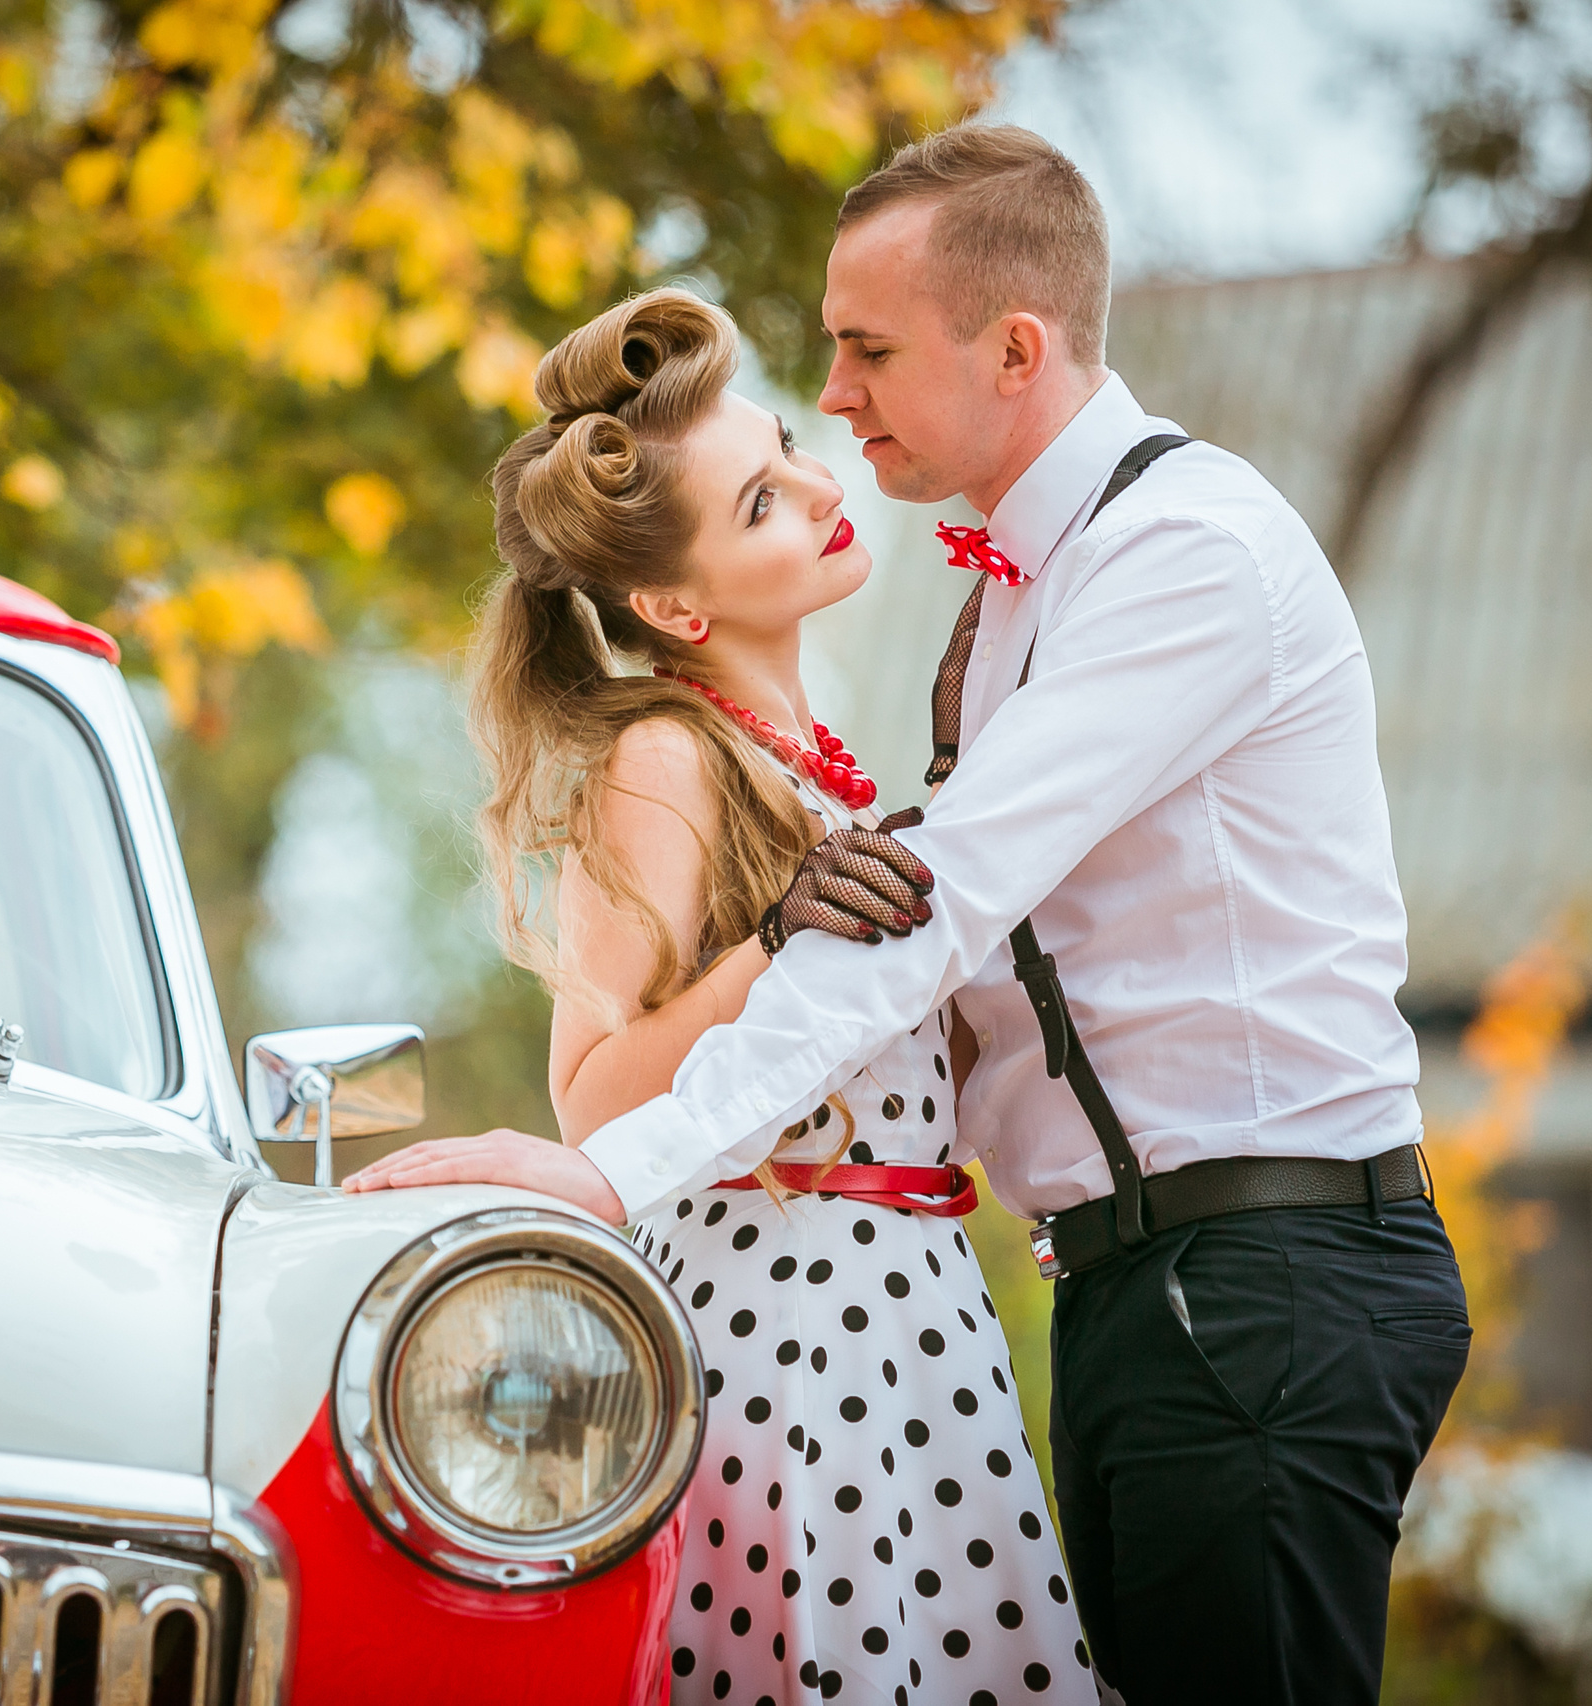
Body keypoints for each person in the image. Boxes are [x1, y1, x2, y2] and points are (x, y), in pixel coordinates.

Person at [355, 126, 1470, 1706]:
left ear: (1014, 347)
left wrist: (612, 1171)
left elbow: (940, 922)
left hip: (1255, 1269)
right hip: (1053, 1300)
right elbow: (889, 968)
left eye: (866, 349)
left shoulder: (1176, 559)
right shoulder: (984, 612)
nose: (834, 406)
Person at [347, 287, 1084, 1705]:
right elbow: (591, 1092)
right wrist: (770, 941)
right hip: (791, 1334)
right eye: (760, 501)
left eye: (792, 449)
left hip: (909, 1321)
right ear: (676, 604)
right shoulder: (664, 762)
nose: (817, 487)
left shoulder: (812, 757)